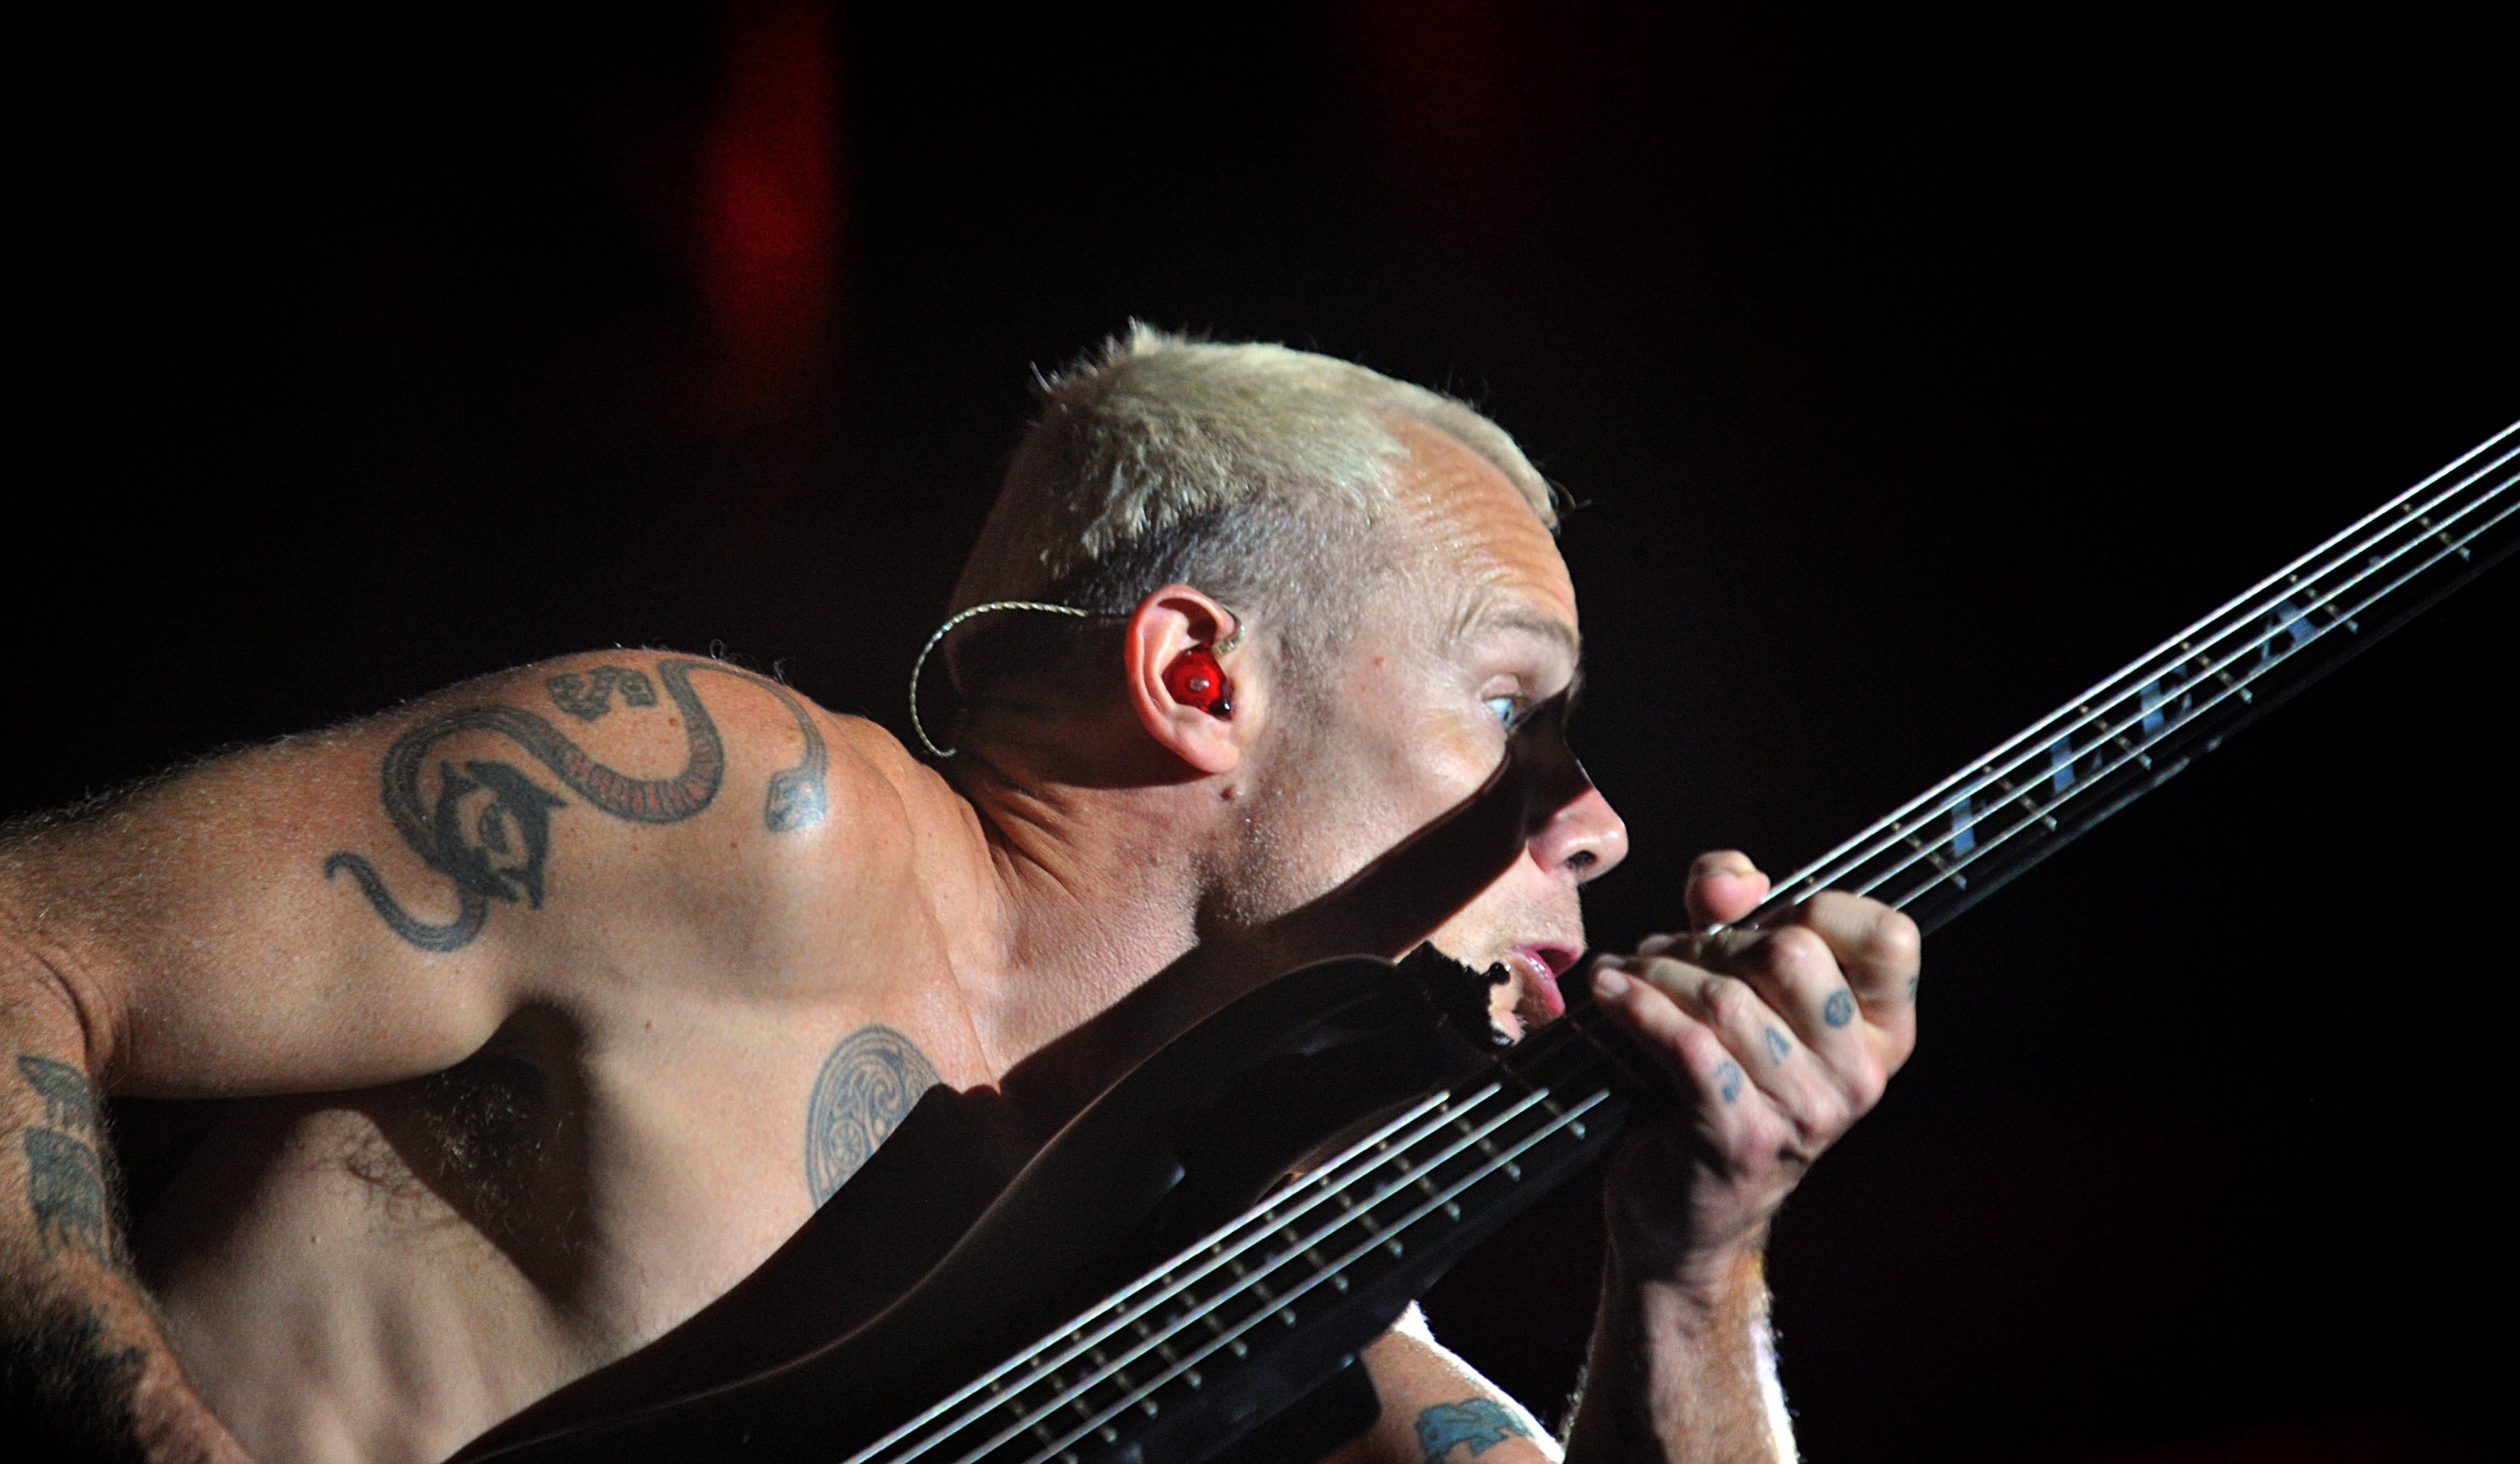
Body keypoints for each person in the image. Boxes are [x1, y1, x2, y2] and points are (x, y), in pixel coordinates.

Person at [0, 329, 1919, 1464]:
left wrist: (1697, 1268)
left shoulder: (1268, 1310)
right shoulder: (739, 817)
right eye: (1510, 703)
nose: (1590, 824)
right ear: (1198, 680)